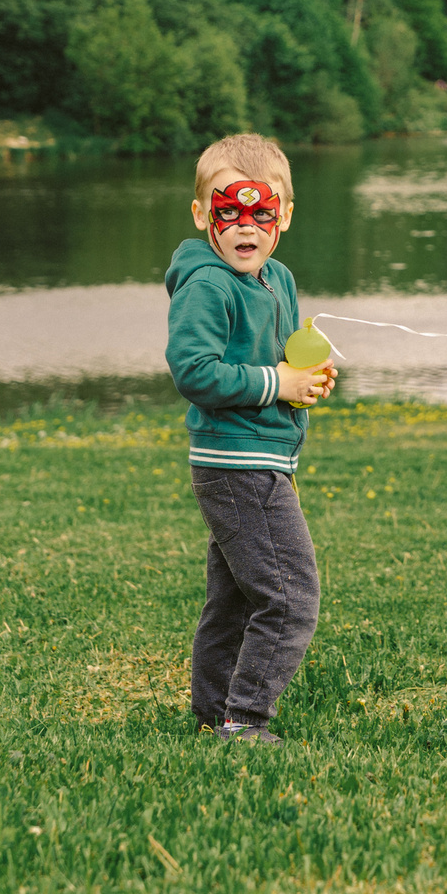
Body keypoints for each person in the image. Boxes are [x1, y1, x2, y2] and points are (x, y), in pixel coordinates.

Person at [165, 133, 335, 746]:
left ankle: (213, 713)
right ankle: (244, 722)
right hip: (239, 465)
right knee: (290, 599)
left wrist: (301, 379)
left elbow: (272, 362)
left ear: (284, 215)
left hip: (262, 458)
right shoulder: (207, 286)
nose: (245, 228)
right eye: (227, 212)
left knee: (237, 598)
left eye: (261, 213)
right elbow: (195, 372)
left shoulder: (277, 278)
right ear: (201, 215)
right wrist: (276, 381)